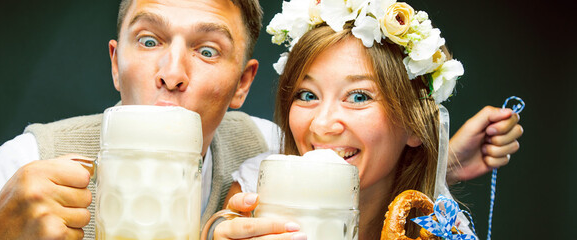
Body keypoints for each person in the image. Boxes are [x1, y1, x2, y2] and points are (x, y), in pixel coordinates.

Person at [0, 0, 518, 239]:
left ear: (244, 83)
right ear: (115, 65)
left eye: (207, 50)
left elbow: (357, 168)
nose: (171, 70)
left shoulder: (267, 151)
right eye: (148, 39)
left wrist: (439, 158)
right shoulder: (28, 162)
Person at [211, 1, 523, 239]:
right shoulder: (257, 190)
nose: (322, 124)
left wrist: (445, 164)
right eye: (307, 95)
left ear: (414, 124)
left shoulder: (437, 223)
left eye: (359, 96)